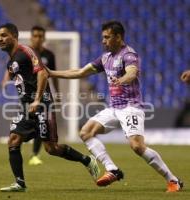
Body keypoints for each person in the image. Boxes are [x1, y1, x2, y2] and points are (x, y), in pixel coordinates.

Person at [47, 20, 183, 192]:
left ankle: (173, 180)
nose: (103, 41)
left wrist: (122, 80)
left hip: (131, 107)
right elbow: (80, 72)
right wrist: (51, 73)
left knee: (137, 146)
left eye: (107, 37)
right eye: (103, 37)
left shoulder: (128, 55)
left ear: (118, 37)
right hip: (114, 108)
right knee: (85, 132)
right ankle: (112, 169)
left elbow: (132, 73)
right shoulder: (105, 58)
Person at [0, 23, 99, 192]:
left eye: (4, 35)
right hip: (26, 108)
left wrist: (37, 100)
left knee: (51, 149)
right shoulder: (11, 62)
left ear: (14, 36)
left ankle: (87, 161)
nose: (0, 39)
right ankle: (20, 183)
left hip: (42, 106)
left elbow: (43, 73)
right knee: (13, 139)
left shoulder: (26, 52)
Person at [2, 26, 58, 166]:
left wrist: (56, 92)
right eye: (35, 36)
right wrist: (5, 80)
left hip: (41, 98)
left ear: (44, 38)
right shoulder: (22, 53)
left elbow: (50, 74)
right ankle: (22, 176)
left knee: (48, 142)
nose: (38, 39)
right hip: (28, 99)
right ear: (31, 37)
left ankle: (34, 154)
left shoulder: (48, 55)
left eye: (40, 36)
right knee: (16, 136)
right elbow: (11, 68)